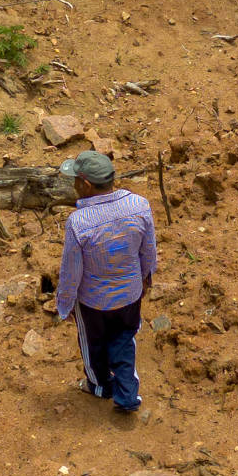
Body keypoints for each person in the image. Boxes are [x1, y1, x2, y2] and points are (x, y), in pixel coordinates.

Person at [55, 151, 157, 414]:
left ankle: (100, 386)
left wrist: (65, 305)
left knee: (94, 346)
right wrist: (145, 279)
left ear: (86, 184)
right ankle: (126, 394)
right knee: (124, 340)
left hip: (93, 303)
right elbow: (148, 251)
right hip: (130, 295)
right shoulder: (139, 205)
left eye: (75, 180)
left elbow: (71, 273)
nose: (73, 186)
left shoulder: (78, 222)